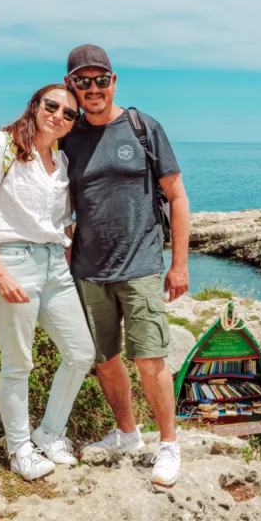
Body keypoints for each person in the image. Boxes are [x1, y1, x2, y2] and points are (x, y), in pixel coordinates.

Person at [61, 44, 190, 487]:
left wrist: (179, 265)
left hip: (141, 265)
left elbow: (176, 197)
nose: (93, 88)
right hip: (88, 270)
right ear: (70, 86)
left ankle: (168, 445)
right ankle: (128, 433)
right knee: (105, 359)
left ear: (114, 82)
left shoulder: (142, 128)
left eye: (101, 80)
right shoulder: (67, 137)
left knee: (150, 358)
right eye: (83, 81)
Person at [0, 84, 95, 481]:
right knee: (18, 363)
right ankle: (19, 449)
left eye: (69, 114)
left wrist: (65, 256)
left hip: (54, 264)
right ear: (35, 107)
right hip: (11, 260)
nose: (59, 115)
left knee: (80, 352)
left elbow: (60, 222)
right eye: (52, 106)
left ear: (73, 124)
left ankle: (49, 432)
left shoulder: (62, 160)